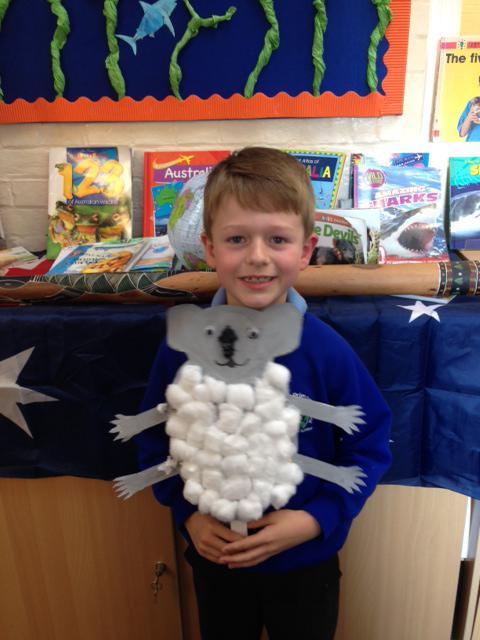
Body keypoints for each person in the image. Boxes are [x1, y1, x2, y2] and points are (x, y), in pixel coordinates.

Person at [136, 147, 392, 640]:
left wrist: (316, 520)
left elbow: (370, 447)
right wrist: (189, 517)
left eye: (277, 239)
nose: (257, 256)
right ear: (210, 248)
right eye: (237, 239)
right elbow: (155, 441)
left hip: (307, 566)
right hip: (218, 564)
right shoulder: (182, 349)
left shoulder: (327, 352)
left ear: (305, 249)